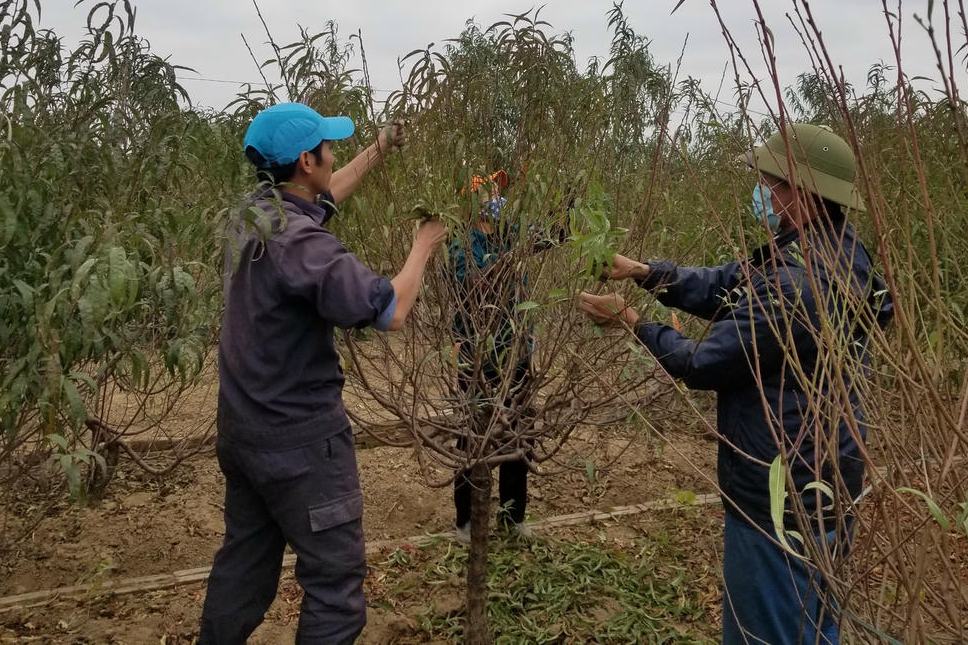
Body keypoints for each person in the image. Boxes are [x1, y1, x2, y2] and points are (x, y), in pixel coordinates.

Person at [578, 124, 892, 645]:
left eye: (770, 181)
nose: (761, 192)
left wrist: (632, 321)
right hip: (823, 471)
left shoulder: (800, 285)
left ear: (805, 196)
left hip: (782, 492)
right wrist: (643, 271)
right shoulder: (821, 252)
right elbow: (728, 284)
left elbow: (706, 362)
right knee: (811, 626)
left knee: (768, 630)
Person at [200, 102, 446, 645]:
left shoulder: (253, 215)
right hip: (301, 445)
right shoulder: (304, 245)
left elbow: (325, 197)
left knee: (243, 568)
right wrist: (423, 246)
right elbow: (391, 310)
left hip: (244, 432)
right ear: (307, 161)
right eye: (328, 149)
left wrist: (379, 149)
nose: (334, 157)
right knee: (336, 594)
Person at [449, 170, 561, 543]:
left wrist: (567, 216)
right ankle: (466, 520)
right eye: (487, 194)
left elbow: (543, 237)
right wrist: (513, 255)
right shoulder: (461, 243)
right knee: (472, 435)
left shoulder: (511, 234)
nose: (496, 198)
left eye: (497, 192)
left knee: (518, 433)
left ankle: (513, 517)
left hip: (516, 353)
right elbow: (475, 280)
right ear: (472, 203)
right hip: (477, 356)